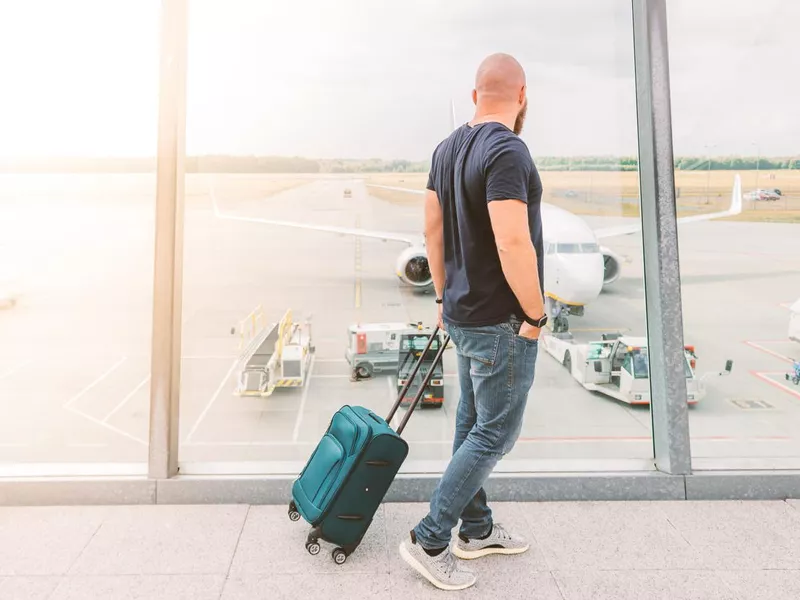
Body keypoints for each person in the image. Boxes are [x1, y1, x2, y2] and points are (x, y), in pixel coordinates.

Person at [398, 53, 547, 591]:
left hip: (460, 312)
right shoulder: (507, 150)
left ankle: (476, 530)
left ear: (474, 94)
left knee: (470, 425)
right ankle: (430, 538)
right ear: (522, 94)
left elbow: (432, 233)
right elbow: (513, 240)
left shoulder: (446, 148)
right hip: (499, 320)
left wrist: (442, 298)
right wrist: (535, 313)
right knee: (493, 434)